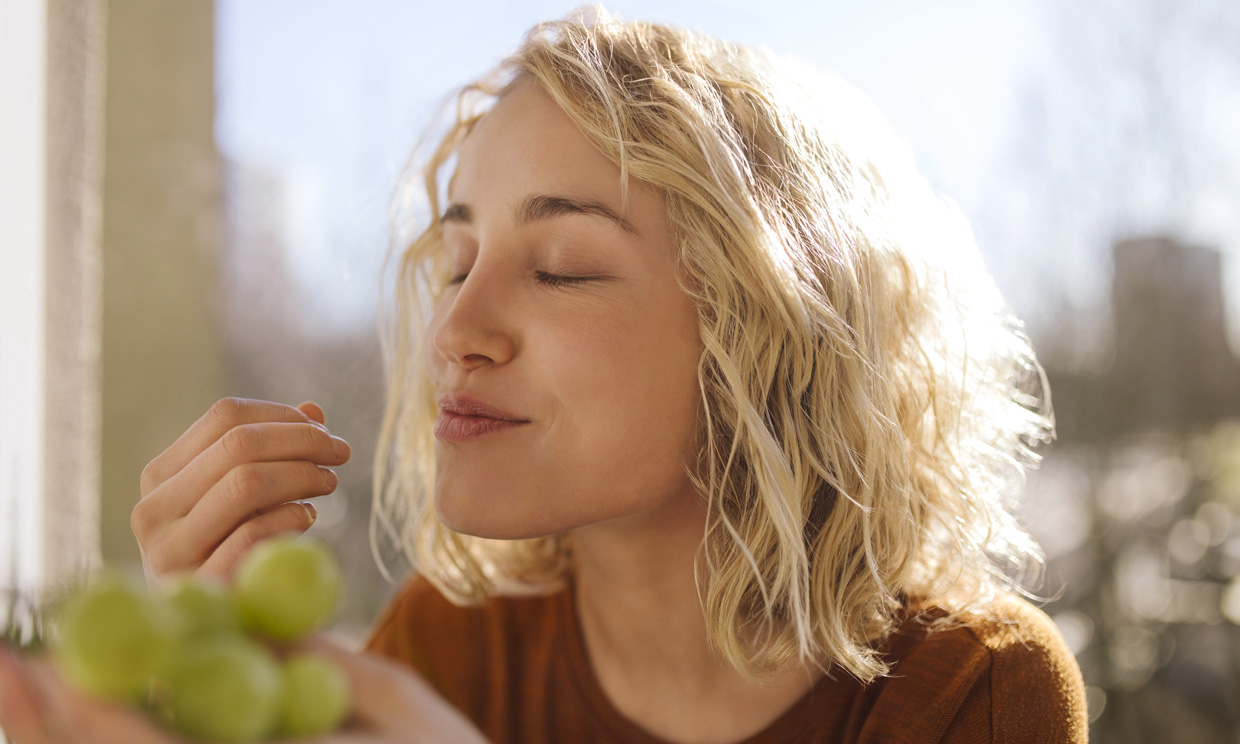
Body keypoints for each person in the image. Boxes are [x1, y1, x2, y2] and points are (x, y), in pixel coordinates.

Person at [0, 6, 1088, 743]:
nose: (453, 333)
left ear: (769, 332)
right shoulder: (441, 648)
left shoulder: (974, 691)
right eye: (456, 260)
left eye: (560, 268)